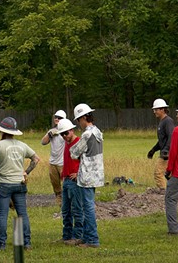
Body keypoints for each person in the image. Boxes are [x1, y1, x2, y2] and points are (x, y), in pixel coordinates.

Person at [0, 117, 39, 251]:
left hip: (4, 184)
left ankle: (2, 245)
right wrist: (26, 172)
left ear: (2, 131)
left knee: (3, 215)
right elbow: (36, 159)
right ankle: (26, 243)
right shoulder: (22, 145)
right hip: (19, 183)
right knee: (22, 214)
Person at [70, 103, 104, 248]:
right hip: (96, 174)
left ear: (84, 117)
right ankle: (86, 237)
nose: (79, 123)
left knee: (87, 208)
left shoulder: (87, 134)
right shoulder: (98, 132)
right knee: (87, 206)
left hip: (86, 176)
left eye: (79, 120)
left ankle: (92, 240)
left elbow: (74, 153)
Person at [56, 117, 83, 245]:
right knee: (65, 210)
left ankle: (78, 236)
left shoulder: (79, 142)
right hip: (66, 179)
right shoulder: (67, 143)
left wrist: (79, 173)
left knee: (77, 209)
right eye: (62, 134)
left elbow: (87, 161)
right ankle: (66, 236)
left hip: (75, 181)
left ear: (72, 130)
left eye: (66, 133)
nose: (64, 136)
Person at [165, 102, 178, 235]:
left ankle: (173, 230)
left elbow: (173, 152)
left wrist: (168, 170)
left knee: (170, 199)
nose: (176, 116)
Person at [41, 109, 67, 206]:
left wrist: (61, 133)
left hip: (63, 162)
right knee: (55, 183)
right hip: (53, 162)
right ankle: (59, 201)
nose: (57, 119)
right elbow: (43, 142)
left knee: (66, 184)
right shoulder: (51, 131)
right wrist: (49, 134)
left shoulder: (66, 131)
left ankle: (67, 201)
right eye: (56, 117)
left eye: (59, 118)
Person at [148, 98, 175, 189]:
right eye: (154, 110)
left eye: (156, 109)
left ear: (162, 109)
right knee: (170, 175)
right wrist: (153, 150)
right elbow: (162, 140)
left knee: (158, 173)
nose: (154, 112)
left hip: (167, 153)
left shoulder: (168, 121)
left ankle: (164, 195)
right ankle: (176, 192)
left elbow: (171, 136)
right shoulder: (162, 122)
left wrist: (166, 150)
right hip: (165, 152)